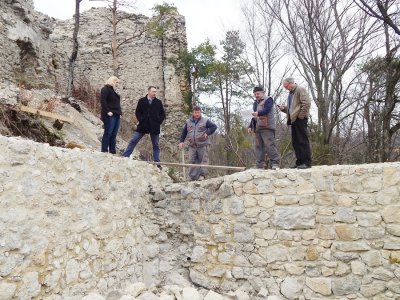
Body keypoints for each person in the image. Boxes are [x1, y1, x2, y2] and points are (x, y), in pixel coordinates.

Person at [123, 86, 166, 165]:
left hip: (154, 126)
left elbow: (162, 114)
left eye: (155, 92)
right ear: (149, 91)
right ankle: (125, 156)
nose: (155, 93)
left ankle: (157, 162)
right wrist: (141, 120)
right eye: (153, 91)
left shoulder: (158, 102)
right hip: (143, 125)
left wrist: (158, 121)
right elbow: (137, 112)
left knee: (156, 145)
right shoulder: (142, 101)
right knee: (133, 140)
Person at [278, 78, 312, 169]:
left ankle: (306, 163)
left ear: (291, 83)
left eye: (286, 86)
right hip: (294, 120)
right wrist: (284, 109)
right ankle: (300, 162)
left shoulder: (300, 89)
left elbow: (307, 103)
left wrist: (301, 116)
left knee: (302, 141)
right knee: (296, 142)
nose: (285, 88)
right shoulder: (291, 93)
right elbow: (292, 109)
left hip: (300, 119)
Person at [179, 106, 217, 181]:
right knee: (192, 160)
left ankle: (202, 176)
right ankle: (192, 176)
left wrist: (207, 133)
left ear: (200, 112)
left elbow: (214, 127)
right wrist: (181, 141)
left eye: (198, 112)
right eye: (195, 112)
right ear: (193, 113)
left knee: (203, 160)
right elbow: (184, 132)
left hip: (202, 144)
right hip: (192, 145)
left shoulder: (205, 121)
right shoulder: (188, 122)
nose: (197, 114)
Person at [247, 86, 281, 170]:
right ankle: (259, 165)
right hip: (258, 127)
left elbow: (267, 110)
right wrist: (250, 126)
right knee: (258, 147)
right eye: (255, 94)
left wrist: (257, 113)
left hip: (267, 127)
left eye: (257, 93)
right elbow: (253, 116)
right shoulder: (255, 103)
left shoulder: (268, 99)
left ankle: (275, 164)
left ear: (263, 92)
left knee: (270, 145)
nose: (256, 95)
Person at [100, 76, 122, 154]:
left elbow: (117, 103)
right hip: (109, 115)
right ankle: (104, 150)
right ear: (112, 81)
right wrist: (107, 111)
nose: (117, 84)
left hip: (116, 114)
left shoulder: (115, 91)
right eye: (116, 82)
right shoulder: (105, 89)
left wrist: (120, 113)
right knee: (108, 132)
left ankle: (112, 151)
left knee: (114, 134)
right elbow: (103, 101)